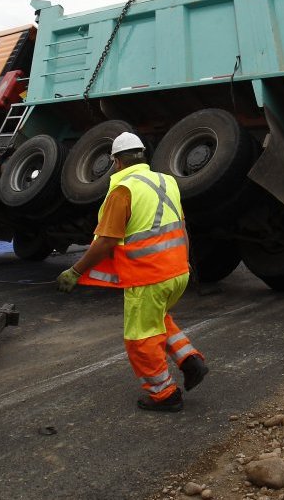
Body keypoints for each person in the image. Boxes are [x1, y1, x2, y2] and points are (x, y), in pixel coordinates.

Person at [56, 132, 208, 413]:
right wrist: (184, 264)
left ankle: (165, 394)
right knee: (158, 319)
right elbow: (182, 228)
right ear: (143, 155)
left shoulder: (123, 190)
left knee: (141, 338)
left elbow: (106, 241)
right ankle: (189, 360)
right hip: (177, 272)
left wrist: (75, 271)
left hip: (149, 276)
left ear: (116, 162)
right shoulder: (167, 181)